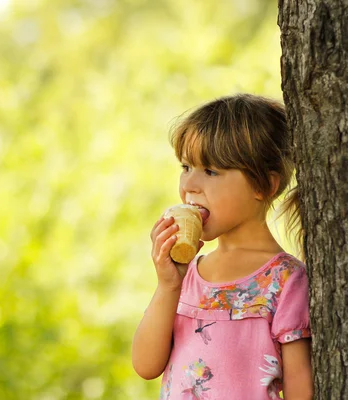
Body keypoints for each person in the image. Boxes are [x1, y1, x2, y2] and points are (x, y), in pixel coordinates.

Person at [132, 94, 313, 399]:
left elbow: (301, 389)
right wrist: (167, 285)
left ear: (263, 186)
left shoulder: (286, 280)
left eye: (211, 171)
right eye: (186, 167)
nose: (189, 184)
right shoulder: (188, 274)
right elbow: (146, 365)